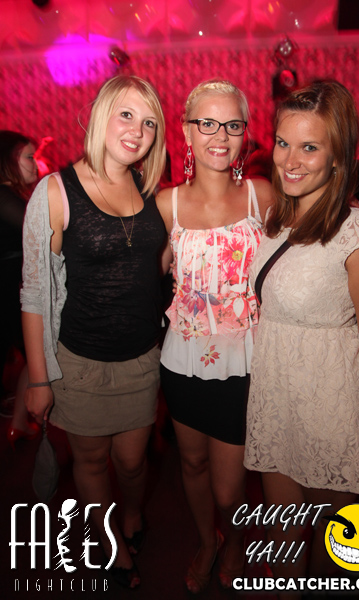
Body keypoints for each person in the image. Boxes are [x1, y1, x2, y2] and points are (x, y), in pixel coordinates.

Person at [244, 80, 359, 594]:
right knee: (285, 548)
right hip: (277, 403)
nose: (290, 160)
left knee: (346, 561)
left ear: (337, 156)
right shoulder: (277, 219)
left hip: (333, 412)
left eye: (309, 147)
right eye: (283, 143)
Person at [20, 75, 167, 589]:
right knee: (90, 461)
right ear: (101, 114)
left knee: (132, 463)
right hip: (79, 361)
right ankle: (111, 545)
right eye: (126, 114)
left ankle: (133, 512)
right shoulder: (55, 191)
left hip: (142, 359)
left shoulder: (149, 189)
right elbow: (35, 292)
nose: (137, 131)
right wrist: (39, 379)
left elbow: (157, 267)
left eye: (149, 123)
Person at [156, 79, 273, 593]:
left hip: (244, 362)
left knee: (229, 489)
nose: (220, 135)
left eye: (232, 124)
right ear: (186, 132)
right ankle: (208, 542)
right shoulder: (165, 205)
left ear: (245, 133)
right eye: (207, 123)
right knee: (191, 462)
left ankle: (235, 537)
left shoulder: (262, 195)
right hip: (181, 360)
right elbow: (141, 275)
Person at [0, 130, 39, 445]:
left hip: (12, 286)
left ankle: (18, 423)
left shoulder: (8, 195)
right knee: (38, 353)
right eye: (28, 157)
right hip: (9, 289)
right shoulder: (4, 196)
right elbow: (39, 233)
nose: (35, 164)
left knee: (34, 353)